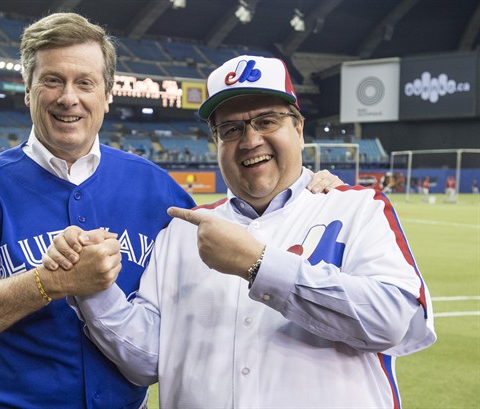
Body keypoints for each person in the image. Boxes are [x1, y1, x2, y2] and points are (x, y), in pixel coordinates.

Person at [0, 14, 342, 409]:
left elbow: (237, 247)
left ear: (107, 94)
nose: (69, 98)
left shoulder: (156, 188)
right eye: (53, 80)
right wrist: (46, 283)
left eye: (85, 82)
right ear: (29, 89)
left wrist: (306, 188)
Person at [52, 55, 436, 408]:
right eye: (231, 129)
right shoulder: (183, 232)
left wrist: (259, 264)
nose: (250, 140)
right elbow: (148, 361)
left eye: (267, 121)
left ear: (298, 128)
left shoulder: (356, 207)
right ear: (216, 143)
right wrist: (95, 291)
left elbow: (392, 320)